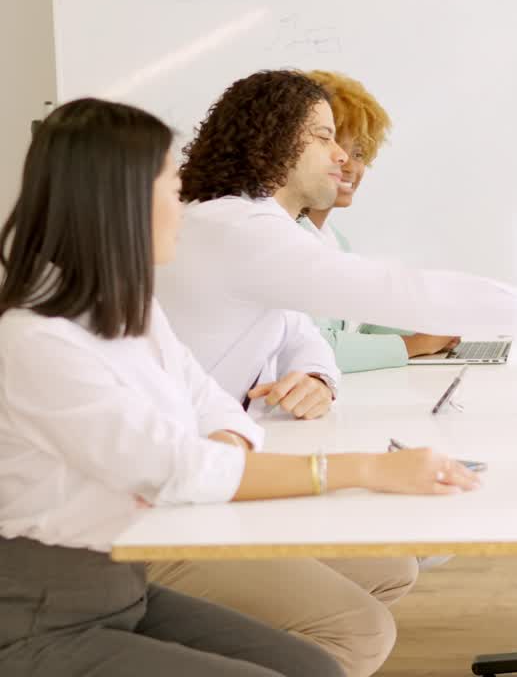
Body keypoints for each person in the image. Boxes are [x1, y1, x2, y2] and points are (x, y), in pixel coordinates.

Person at [0, 98, 477, 676]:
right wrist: (365, 469)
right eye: (169, 184)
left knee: (314, 667)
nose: (181, 203)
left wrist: (211, 456)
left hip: (127, 580)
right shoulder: (35, 342)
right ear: (115, 201)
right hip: (45, 614)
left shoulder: (133, 314)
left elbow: (216, 412)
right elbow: (175, 468)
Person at [156, 69, 517, 416]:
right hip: (189, 475)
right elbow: (402, 292)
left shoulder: (250, 228)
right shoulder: (241, 231)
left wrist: (318, 373)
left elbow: (304, 330)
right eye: (323, 137)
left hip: (225, 452)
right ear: (271, 143)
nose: (342, 158)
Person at [298, 70, 459, 373]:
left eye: (358, 152)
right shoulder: (286, 236)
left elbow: (358, 327)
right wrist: (419, 345)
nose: (348, 164)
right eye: (332, 145)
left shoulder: (336, 240)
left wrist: (428, 327)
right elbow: (318, 348)